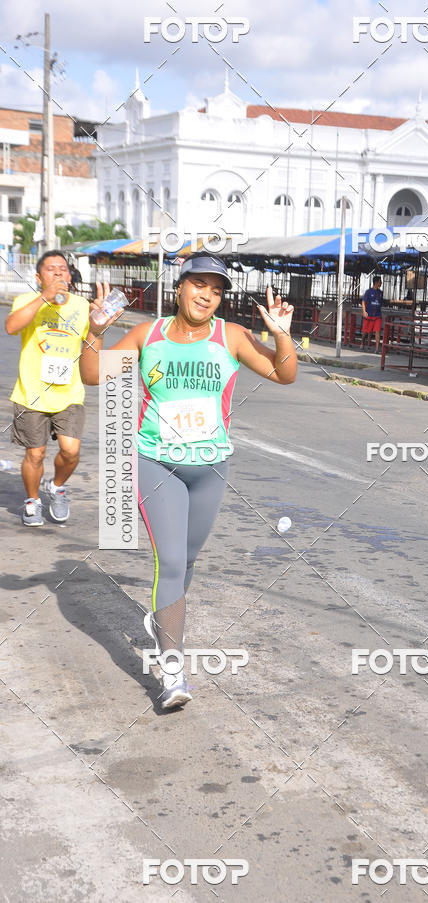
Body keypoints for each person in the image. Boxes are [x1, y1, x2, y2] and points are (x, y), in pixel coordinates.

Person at [79, 252, 297, 710]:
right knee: (171, 560)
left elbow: (284, 374)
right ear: (179, 288)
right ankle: (172, 670)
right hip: (156, 462)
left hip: (211, 468)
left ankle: (166, 620)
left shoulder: (231, 337)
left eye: (216, 290)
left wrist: (280, 334)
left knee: (187, 560)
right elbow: (93, 374)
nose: (207, 295)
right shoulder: (148, 334)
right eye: (199, 284)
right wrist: (96, 331)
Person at [4, 249, 107, 526]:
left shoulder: (82, 306)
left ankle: (57, 486)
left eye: (63, 268)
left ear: (70, 276)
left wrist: (98, 326)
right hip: (31, 394)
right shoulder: (26, 301)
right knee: (34, 453)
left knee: (71, 451)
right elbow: (11, 326)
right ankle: (32, 500)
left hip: (69, 393)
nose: (59, 272)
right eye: (51, 269)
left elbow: (92, 351)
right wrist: (44, 298)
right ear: (39, 277)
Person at [361, 275, 383, 352]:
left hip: (377, 315)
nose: (381, 283)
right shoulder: (368, 292)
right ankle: (362, 342)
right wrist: (364, 311)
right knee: (365, 332)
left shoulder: (380, 293)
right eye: (380, 282)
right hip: (369, 315)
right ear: (376, 282)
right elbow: (363, 302)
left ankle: (377, 348)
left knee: (377, 331)